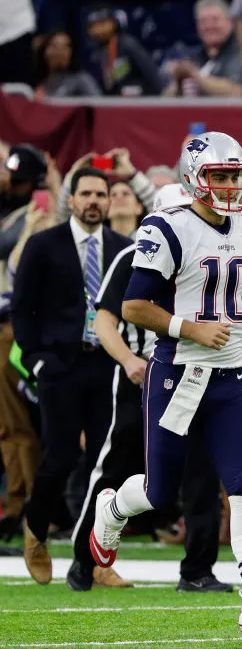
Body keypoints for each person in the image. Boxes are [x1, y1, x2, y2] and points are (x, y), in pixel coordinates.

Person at [88, 131, 242, 632]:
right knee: (160, 491)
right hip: (178, 375)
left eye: (234, 176)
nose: (229, 187)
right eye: (218, 176)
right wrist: (191, 328)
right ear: (193, 179)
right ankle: (112, 509)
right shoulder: (167, 227)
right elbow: (134, 306)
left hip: (228, 377)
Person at [67, 189, 229, 593]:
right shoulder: (135, 255)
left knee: (202, 472)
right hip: (143, 375)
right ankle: (85, 561)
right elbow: (104, 321)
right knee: (117, 465)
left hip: (198, 374)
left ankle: (198, 570)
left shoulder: (210, 255)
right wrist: (127, 360)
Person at [12, 166, 132, 585]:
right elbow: (22, 307)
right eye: (87, 194)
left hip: (105, 365)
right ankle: (35, 529)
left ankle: (94, 558)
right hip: (60, 366)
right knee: (60, 457)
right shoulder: (44, 244)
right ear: (72, 198)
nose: (96, 201)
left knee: (106, 464)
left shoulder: (123, 246)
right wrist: (37, 359)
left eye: (102, 194)